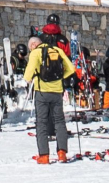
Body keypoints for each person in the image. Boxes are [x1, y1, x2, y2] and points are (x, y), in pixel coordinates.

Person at [24, 28, 76, 164]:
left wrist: (34, 77)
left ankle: (44, 155)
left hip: (42, 92)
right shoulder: (57, 50)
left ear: (34, 45)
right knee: (59, 121)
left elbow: (27, 75)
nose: (30, 50)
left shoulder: (35, 53)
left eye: (30, 47)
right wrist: (59, 78)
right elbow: (71, 68)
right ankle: (62, 153)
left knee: (41, 123)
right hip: (57, 92)